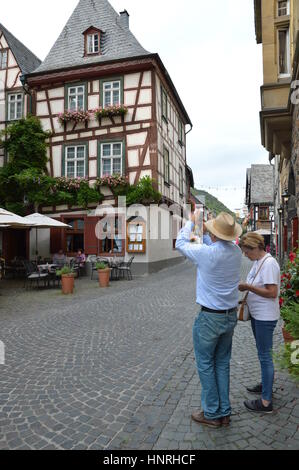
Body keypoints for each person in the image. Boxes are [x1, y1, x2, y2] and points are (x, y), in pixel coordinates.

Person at [176, 211, 242, 428]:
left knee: (206, 364)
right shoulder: (236, 251)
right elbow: (214, 243)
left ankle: (211, 413)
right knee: (222, 363)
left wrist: (192, 221)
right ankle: (224, 411)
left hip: (209, 318)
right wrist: (207, 231)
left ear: (214, 234)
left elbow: (181, 242)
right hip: (230, 316)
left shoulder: (206, 253)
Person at [238, 232, 280, 413]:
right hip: (258, 315)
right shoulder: (258, 262)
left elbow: (272, 293)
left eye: (246, 251)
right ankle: (266, 385)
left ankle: (265, 402)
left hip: (265, 317)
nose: (245, 255)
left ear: (255, 247)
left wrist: (248, 287)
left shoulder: (269, 264)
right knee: (263, 353)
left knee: (265, 356)